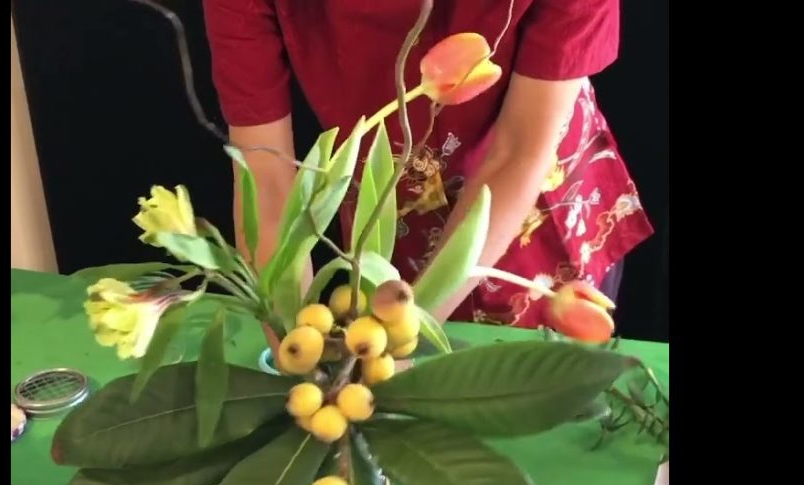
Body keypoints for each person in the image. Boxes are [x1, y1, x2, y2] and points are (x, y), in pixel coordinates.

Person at [203, 0, 653, 329]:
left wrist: (403, 333)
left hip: (535, 214)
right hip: (386, 224)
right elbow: (266, 176)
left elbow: (518, 149)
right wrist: (296, 338)